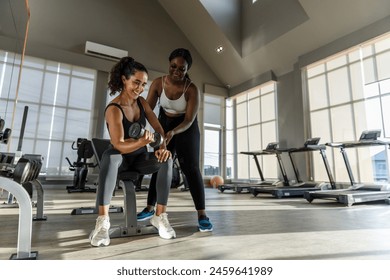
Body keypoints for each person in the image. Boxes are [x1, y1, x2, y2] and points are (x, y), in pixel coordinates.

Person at [89, 56, 175, 246]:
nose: (140, 88)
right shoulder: (113, 108)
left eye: (143, 84)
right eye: (136, 82)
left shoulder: (142, 103)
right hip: (120, 161)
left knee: (167, 160)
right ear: (124, 79)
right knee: (110, 156)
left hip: (139, 159)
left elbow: (158, 127)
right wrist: (141, 141)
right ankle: (102, 222)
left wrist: (162, 147)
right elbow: (119, 144)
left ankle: (159, 216)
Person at [137, 48, 213, 232]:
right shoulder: (158, 83)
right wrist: (144, 129)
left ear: (187, 70)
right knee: (159, 163)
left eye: (182, 69)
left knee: (191, 169)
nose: (177, 71)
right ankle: (150, 207)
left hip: (186, 128)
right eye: (174, 66)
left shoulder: (192, 89)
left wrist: (173, 132)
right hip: (164, 122)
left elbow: (188, 119)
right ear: (169, 64)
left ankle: (202, 214)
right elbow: (148, 110)